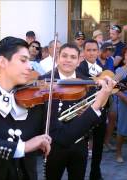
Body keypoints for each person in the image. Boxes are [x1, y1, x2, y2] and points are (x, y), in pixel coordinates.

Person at [0, 36, 115, 180]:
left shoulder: (37, 96)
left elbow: (63, 136)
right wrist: (22, 147)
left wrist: (96, 105)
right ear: (3, 61)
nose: (30, 66)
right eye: (23, 60)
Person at [41, 43, 107, 180]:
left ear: (78, 61)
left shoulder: (87, 82)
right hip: (53, 145)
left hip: (79, 144)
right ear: (57, 58)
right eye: (64, 56)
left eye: (73, 57)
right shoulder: (44, 81)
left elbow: (95, 117)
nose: (68, 60)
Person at [76, 39, 107, 180]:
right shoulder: (79, 67)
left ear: (98, 51)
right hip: (84, 111)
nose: (92, 53)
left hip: (101, 110)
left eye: (94, 50)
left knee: (99, 144)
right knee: (82, 146)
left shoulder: (102, 67)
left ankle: (96, 172)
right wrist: (96, 81)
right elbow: (80, 79)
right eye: (88, 50)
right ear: (83, 52)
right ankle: (80, 173)